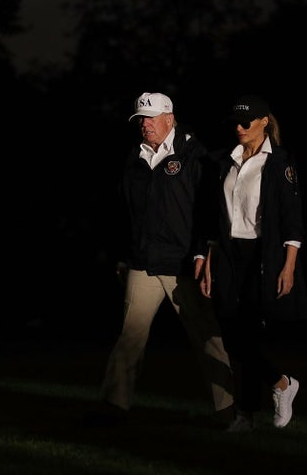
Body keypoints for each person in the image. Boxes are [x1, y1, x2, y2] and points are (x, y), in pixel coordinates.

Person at [84, 92, 235, 427]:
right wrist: (123, 256)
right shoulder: (134, 157)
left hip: (183, 263)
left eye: (151, 118)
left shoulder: (194, 153)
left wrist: (202, 251)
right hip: (142, 263)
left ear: (170, 117)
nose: (145, 124)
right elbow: (124, 212)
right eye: (141, 118)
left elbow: (207, 209)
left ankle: (229, 411)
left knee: (207, 338)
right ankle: (114, 406)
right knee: (130, 336)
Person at [200, 94, 307, 432]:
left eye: (245, 122)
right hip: (228, 254)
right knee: (231, 335)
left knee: (245, 335)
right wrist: (207, 260)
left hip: (261, 255)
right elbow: (213, 217)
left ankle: (245, 416)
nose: (238, 127)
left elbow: (293, 220)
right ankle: (281, 383)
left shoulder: (279, 162)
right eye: (234, 122)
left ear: (264, 122)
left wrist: (289, 265)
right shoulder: (223, 161)